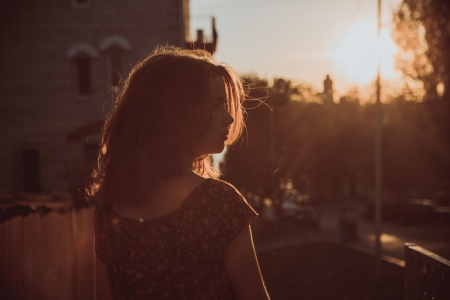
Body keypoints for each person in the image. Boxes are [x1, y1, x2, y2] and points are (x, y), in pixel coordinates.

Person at [89, 46, 270, 300]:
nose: (229, 118)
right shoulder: (219, 205)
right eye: (217, 105)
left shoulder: (108, 214)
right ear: (178, 113)